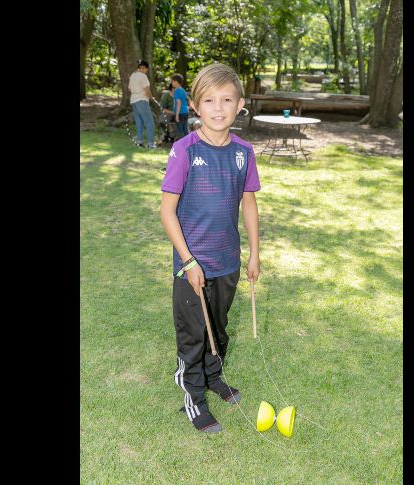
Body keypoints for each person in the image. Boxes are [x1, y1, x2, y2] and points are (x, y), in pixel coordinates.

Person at [160, 63, 261, 433]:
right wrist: (188, 262)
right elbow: (167, 211)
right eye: (209, 100)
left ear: (239, 105)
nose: (218, 108)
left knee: (218, 329)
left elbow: (248, 202)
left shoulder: (244, 152)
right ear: (196, 107)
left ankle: (213, 375)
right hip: (192, 266)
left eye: (227, 100)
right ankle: (194, 394)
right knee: (193, 334)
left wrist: (254, 253)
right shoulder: (183, 150)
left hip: (227, 261)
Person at [128, 60, 158, 149]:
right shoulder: (143, 76)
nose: (145, 71)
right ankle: (151, 144)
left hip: (134, 101)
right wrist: (152, 98)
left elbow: (129, 88)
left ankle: (140, 142)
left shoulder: (133, 75)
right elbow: (147, 90)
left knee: (139, 122)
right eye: (146, 69)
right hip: (141, 100)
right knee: (149, 122)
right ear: (145, 68)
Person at [170, 73, 190, 140]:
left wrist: (177, 115)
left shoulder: (177, 91)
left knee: (180, 131)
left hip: (180, 113)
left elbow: (179, 103)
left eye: (172, 81)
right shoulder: (182, 90)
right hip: (185, 112)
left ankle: (183, 147)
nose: (171, 83)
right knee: (185, 129)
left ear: (175, 82)